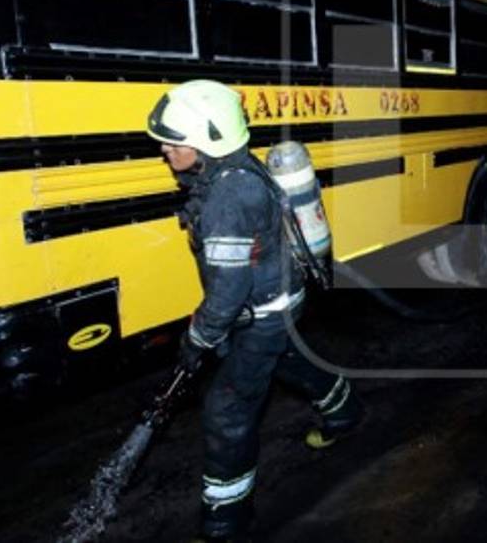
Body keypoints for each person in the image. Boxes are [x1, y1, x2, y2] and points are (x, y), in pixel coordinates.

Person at [146, 79, 363, 539]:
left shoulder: (228, 196)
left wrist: (196, 340)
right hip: (280, 303)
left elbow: (228, 293)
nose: (165, 149)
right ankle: (344, 410)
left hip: (262, 315)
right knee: (289, 360)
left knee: (227, 412)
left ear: (208, 141)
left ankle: (225, 522)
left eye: (174, 142)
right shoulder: (237, 170)